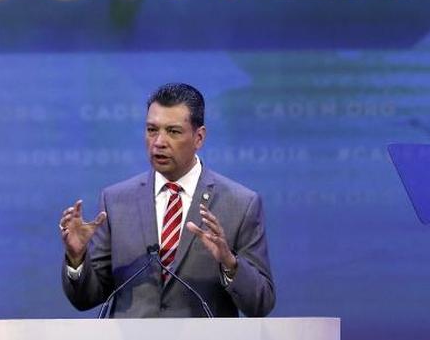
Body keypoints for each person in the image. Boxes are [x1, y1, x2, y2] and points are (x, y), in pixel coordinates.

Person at [59, 83, 275, 317]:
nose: (159, 142)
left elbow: (261, 303)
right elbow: (87, 298)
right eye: (152, 130)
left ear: (199, 137)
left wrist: (230, 264)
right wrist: (77, 258)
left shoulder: (240, 204)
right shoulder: (116, 200)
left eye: (173, 131)